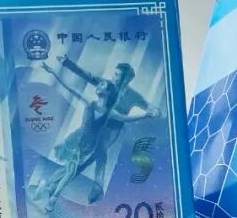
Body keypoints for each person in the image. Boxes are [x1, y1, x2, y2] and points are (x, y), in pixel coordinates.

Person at [56, 55, 160, 201]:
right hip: (97, 124)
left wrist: (154, 110)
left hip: (112, 129)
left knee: (100, 151)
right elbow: (87, 75)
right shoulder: (107, 85)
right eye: (115, 74)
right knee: (82, 150)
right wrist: (67, 63)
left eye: (119, 76)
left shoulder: (133, 95)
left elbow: (147, 105)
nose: (115, 78)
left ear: (127, 79)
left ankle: (97, 185)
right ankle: (61, 179)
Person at [36, 61, 115, 212]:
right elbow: (70, 89)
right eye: (99, 84)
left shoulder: (109, 112)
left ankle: (48, 184)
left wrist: (146, 115)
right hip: (76, 140)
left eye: (103, 85)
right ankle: (53, 199)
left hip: (89, 146)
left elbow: (126, 119)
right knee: (71, 171)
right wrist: (54, 73)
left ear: (109, 92)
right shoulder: (89, 102)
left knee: (68, 169)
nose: (98, 86)